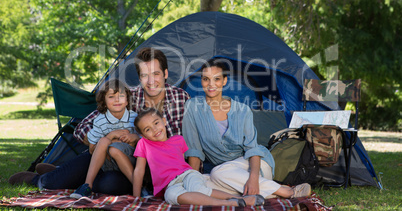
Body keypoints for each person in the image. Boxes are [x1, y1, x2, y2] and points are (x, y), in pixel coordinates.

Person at [9, 47, 190, 195]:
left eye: (156, 74)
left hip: (153, 170)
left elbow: (180, 142)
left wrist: (138, 139)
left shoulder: (180, 98)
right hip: (117, 159)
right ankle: (39, 180)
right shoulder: (128, 97)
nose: (151, 81)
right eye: (144, 75)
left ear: (165, 74)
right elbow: (82, 127)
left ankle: (63, 173)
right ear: (139, 77)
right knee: (97, 155)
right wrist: (103, 139)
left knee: (107, 185)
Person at [182, 58, 312, 199]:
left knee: (217, 174)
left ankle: (287, 192)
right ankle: (269, 191)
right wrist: (194, 180)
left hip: (254, 166)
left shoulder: (242, 110)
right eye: (206, 79)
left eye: (217, 79)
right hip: (227, 175)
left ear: (224, 81)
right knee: (201, 184)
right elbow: (194, 149)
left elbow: (252, 149)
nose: (211, 84)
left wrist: (253, 178)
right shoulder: (193, 107)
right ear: (201, 81)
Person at [132, 108, 264, 206]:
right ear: (143, 135)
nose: (155, 130)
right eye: (147, 129)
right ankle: (230, 203)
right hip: (169, 184)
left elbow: (181, 161)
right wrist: (136, 198)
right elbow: (139, 171)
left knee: (198, 188)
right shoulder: (144, 144)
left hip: (188, 174)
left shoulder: (178, 139)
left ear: (164, 121)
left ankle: (236, 198)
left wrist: (191, 175)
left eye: (156, 123)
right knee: (171, 197)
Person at [70, 79, 139, 199]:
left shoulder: (134, 118)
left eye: (121, 96)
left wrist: (135, 136)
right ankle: (87, 186)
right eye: (112, 96)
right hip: (107, 163)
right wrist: (111, 136)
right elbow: (92, 150)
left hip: (129, 160)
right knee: (105, 142)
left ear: (127, 100)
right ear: (104, 101)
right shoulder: (100, 120)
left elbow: (144, 140)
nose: (117, 100)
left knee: (114, 148)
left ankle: (139, 187)